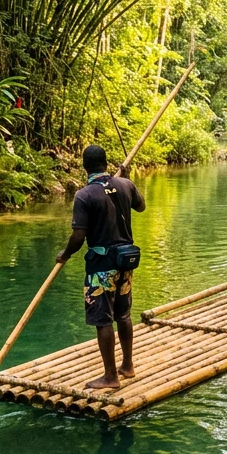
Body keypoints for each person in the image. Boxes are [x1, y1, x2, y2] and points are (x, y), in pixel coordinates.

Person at [56, 145, 145, 389]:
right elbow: (141, 206)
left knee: (103, 320)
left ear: (84, 166)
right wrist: (127, 180)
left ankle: (110, 377)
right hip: (125, 263)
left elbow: (79, 236)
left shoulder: (84, 195)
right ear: (106, 163)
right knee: (123, 315)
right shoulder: (125, 185)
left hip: (101, 267)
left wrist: (65, 254)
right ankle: (127, 366)